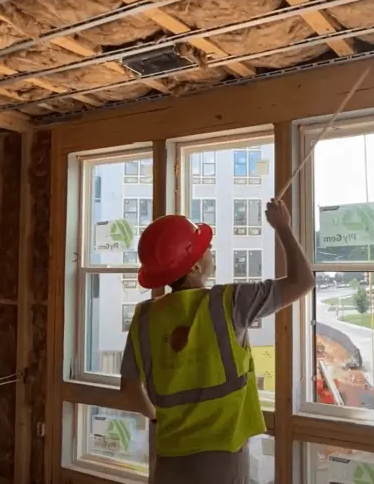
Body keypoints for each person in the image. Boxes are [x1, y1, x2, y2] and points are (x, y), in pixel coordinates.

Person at [119, 198, 314, 484]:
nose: (210, 250)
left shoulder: (144, 316)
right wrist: (282, 226)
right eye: (204, 248)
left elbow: (128, 389)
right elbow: (303, 281)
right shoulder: (229, 303)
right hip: (221, 458)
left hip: (169, 457)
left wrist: (156, 417)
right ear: (195, 266)